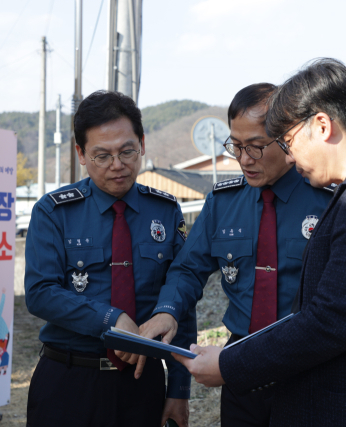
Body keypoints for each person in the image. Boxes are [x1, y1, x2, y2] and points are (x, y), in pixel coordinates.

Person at [173, 59, 346, 426]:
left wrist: (228, 363)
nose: (290, 157)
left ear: (322, 125)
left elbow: (330, 321)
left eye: (289, 142)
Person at [138, 83, 332, 426]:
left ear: (288, 137)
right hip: (241, 363)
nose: (244, 159)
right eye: (236, 146)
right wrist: (168, 311)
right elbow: (187, 269)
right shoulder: (223, 202)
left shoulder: (327, 199)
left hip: (308, 364)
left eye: (256, 147)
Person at [24, 91, 193, 427]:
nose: (118, 165)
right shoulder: (54, 211)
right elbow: (40, 291)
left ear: (142, 144)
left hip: (141, 384)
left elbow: (179, 299)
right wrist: (111, 320)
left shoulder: (165, 211)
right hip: (68, 381)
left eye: (127, 151)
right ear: (81, 154)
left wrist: (179, 389)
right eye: (102, 155)